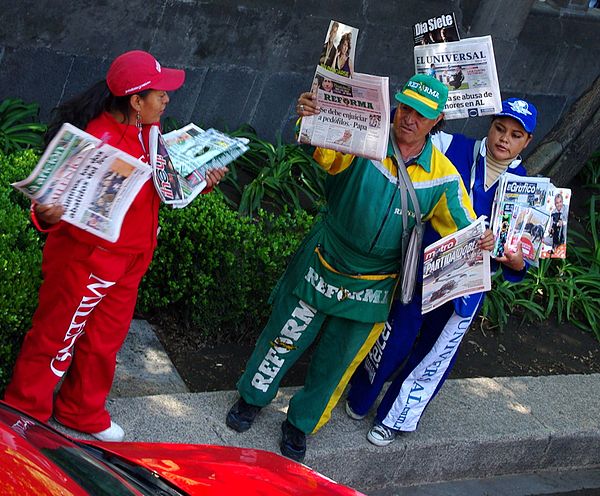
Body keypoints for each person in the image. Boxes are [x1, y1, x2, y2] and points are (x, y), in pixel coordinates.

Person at [225, 74, 494, 463]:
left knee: (339, 360)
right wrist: (312, 120)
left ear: (437, 121)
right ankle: (251, 398)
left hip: (376, 283)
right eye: (405, 107)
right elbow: (327, 155)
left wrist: (485, 241)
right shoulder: (365, 135)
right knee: (284, 336)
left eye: (421, 114)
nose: (409, 118)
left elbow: (466, 226)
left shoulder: (443, 176)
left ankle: (301, 424)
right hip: (326, 258)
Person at [3, 50, 227, 442]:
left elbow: (161, 189)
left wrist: (199, 181)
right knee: (57, 337)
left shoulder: (150, 129)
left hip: (130, 260)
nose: (168, 99)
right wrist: (49, 215)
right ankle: (23, 413)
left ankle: (81, 410)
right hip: (84, 262)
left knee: (105, 341)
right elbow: (43, 208)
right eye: (160, 93)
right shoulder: (92, 137)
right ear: (135, 101)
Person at [346, 97, 537, 446]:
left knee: (435, 354)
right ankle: (359, 395)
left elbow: (523, 259)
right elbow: (412, 133)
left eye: (515, 134)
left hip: (467, 288)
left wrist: (514, 261)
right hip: (422, 268)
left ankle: (394, 418)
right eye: (499, 128)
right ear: (489, 125)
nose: (503, 139)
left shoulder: (528, 189)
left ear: (526, 142)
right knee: (394, 336)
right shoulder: (452, 146)